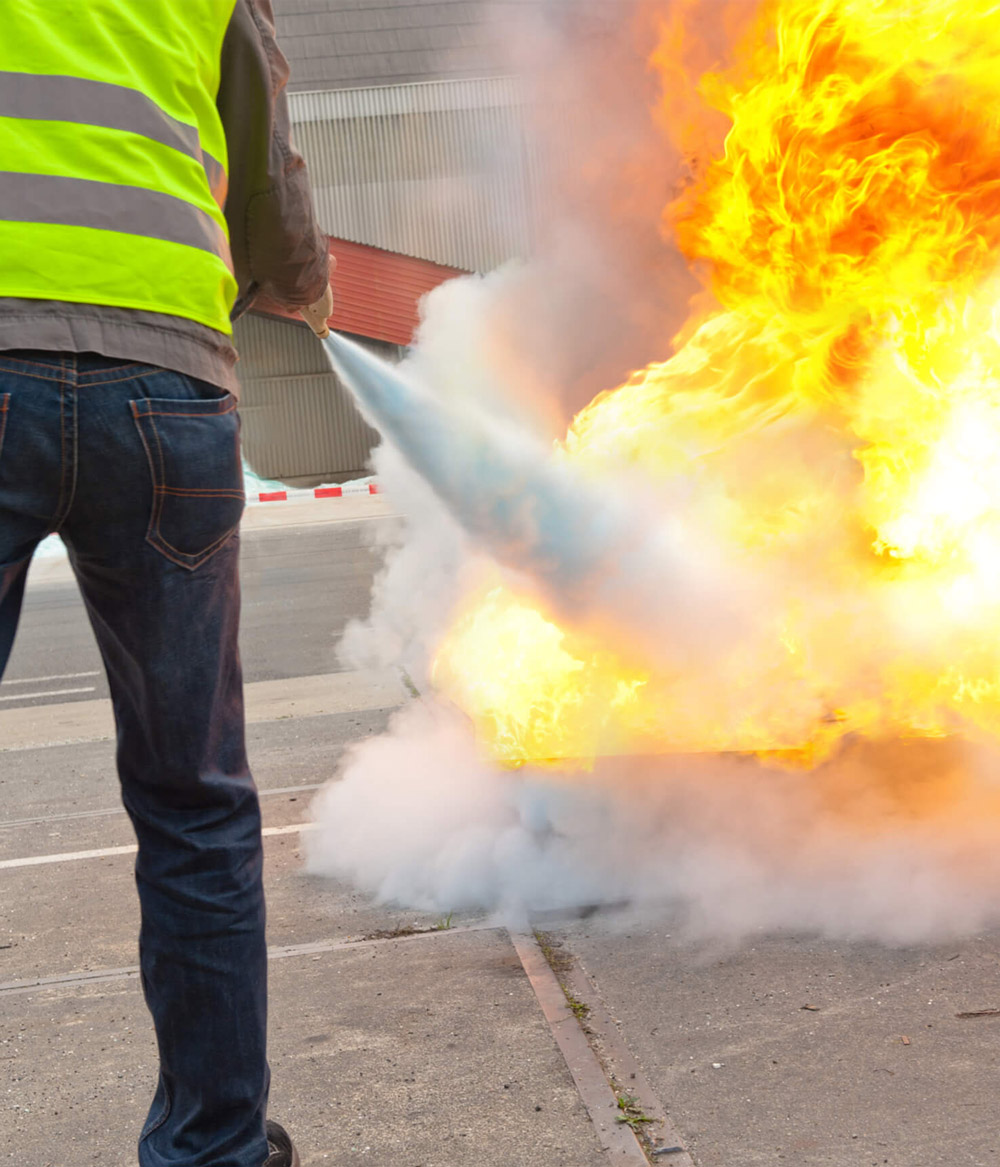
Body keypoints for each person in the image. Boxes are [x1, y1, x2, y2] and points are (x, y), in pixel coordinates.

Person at [0, 3, 334, 1164]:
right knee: (194, 799)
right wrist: (296, 283)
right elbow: (270, 179)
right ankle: (214, 1147)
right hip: (168, 383)